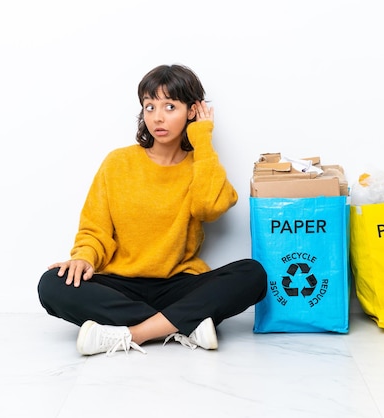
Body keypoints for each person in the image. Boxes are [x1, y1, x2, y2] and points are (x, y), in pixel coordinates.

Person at [38, 64, 268, 356]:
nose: (157, 117)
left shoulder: (201, 165)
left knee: (253, 274)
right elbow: (95, 229)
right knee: (51, 285)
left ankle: (134, 333)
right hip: (120, 283)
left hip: (178, 283)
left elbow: (209, 207)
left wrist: (203, 139)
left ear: (192, 110)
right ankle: (184, 323)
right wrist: (83, 257)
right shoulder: (118, 163)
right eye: (149, 106)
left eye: (170, 106)